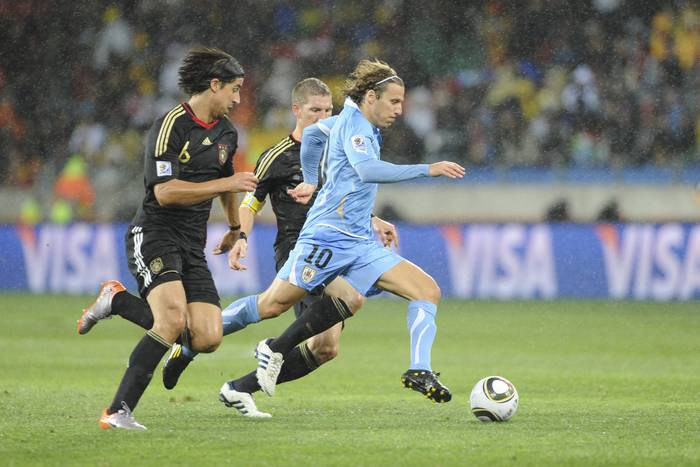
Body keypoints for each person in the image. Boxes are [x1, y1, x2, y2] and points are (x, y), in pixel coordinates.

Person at [78, 77, 398, 419]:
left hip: (336, 245)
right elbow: (250, 200)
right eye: (314, 110)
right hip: (299, 250)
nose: (322, 117)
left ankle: (228, 378)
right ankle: (247, 357)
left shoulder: (338, 150)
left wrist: (372, 219)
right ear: (296, 111)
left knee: (325, 346)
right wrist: (240, 236)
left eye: (328, 110)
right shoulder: (277, 156)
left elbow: (341, 199)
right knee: (313, 303)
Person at [221, 59, 465, 404]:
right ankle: (195, 337)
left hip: (360, 241)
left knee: (426, 290)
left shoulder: (347, 121)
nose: (400, 109)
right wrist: (429, 169)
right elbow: (366, 170)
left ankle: (419, 369)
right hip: (327, 237)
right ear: (370, 97)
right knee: (271, 305)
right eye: (394, 101)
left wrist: (310, 178)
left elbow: (315, 136)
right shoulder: (356, 126)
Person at [80, 46, 257, 430]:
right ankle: (117, 411)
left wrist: (233, 228)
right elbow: (164, 191)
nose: (238, 98)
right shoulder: (171, 125)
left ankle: (118, 301)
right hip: (155, 233)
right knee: (172, 319)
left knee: (208, 337)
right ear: (214, 85)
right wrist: (227, 181)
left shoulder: (227, 132)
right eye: (235, 89)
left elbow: (227, 186)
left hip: (191, 243)